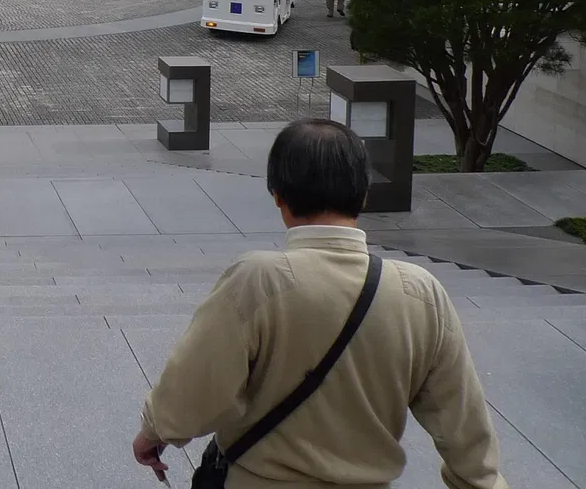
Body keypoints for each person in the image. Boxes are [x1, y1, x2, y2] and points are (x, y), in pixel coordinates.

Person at [131, 118, 509, 489]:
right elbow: (463, 421)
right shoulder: (421, 292)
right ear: (363, 194)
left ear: (278, 195)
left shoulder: (258, 280)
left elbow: (196, 384)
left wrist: (156, 429)